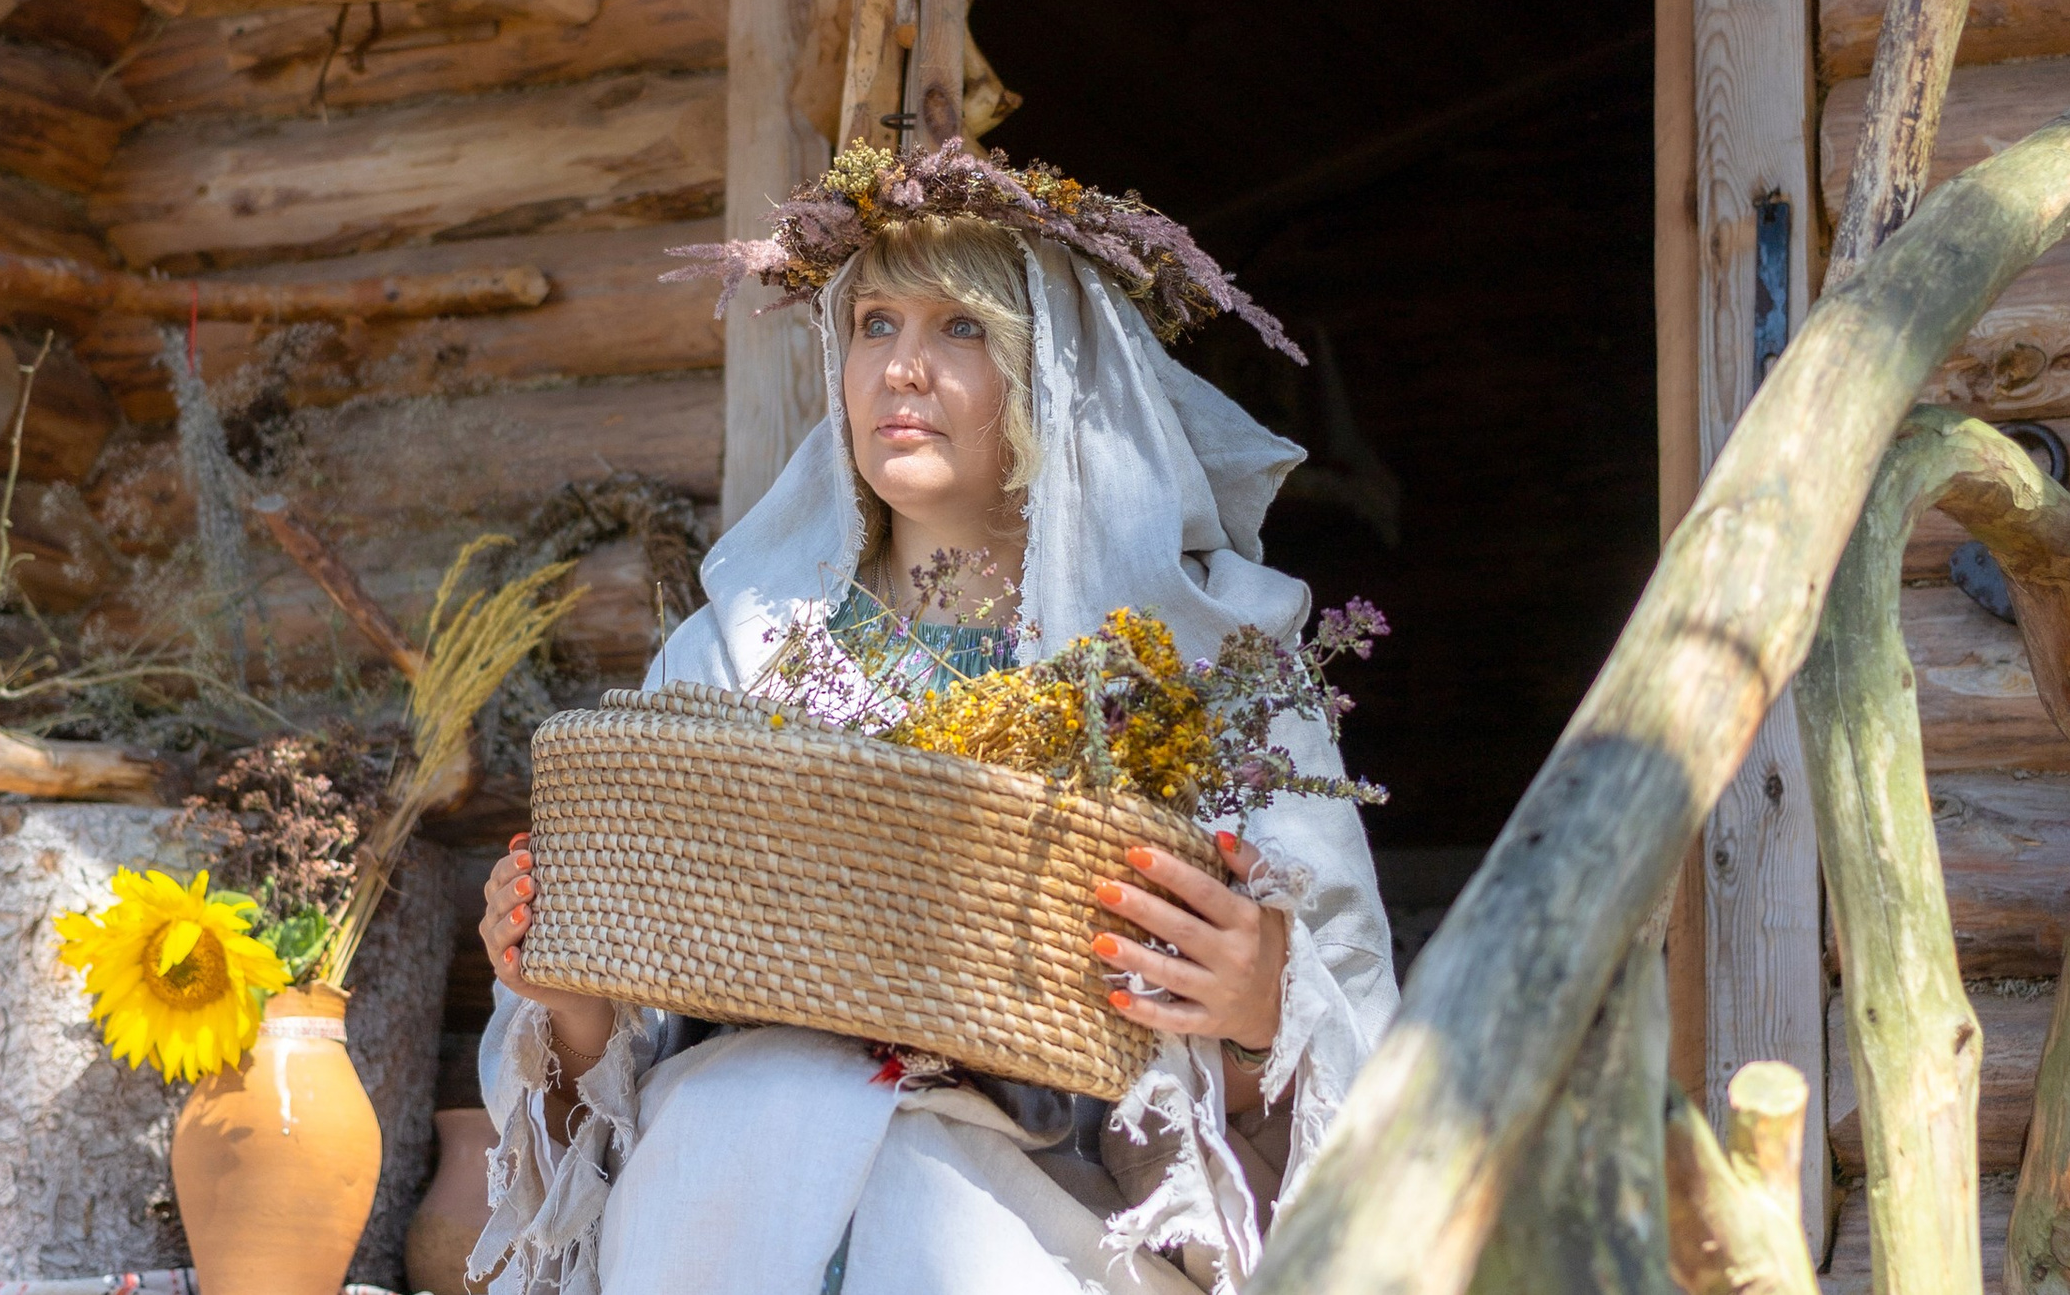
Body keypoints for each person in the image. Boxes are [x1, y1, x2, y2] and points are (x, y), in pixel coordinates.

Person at [468, 147, 1397, 1295]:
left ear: (1052, 373)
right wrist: (567, 1001)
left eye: (960, 329)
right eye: (872, 325)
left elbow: (1337, 1056)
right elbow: (617, 1056)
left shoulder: (1208, 664)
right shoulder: (735, 651)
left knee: (923, 1185)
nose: (900, 369)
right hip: (726, 1185)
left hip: (1052, 1215)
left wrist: (1261, 1007)